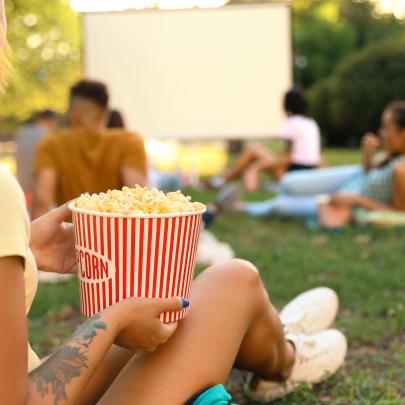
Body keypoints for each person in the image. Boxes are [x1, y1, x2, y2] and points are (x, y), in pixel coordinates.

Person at [0, 6, 347, 404]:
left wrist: (23, 251)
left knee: (202, 302)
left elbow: (43, 195)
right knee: (234, 281)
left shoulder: (48, 150)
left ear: (74, 111)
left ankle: (282, 339)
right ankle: (286, 358)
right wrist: (110, 321)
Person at [240, 101, 405, 228]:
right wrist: (368, 154)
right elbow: (369, 171)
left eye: (386, 128)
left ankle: (243, 207)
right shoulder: (393, 154)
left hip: (348, 200)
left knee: (281, 206)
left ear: (403, 134)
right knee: (289, 182)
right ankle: (248, 204)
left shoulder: (401, 170)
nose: (382, 133)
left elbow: (398, 213)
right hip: (353, 178)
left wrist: (355, 200)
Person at [32, 80, 147, 219]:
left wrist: (34, 238)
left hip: (71, 236)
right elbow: (138, 198)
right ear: (105, 112)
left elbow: (42, 201)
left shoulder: (51, 144)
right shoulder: (131, 142)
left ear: (73, 112)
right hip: (116, 236)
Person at [208, 89, 322, 192]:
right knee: (254, 151)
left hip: (292, 176)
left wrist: (256, 168)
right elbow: (317, 157)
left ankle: (221, 181)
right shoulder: (311, 122)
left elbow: (287, 159)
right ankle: (224, 179)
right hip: (308, 173)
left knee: (252, 150)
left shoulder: (292, 123)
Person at [15, 110, 60, 210]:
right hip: (40, 195)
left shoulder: (22, 132)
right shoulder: (49, 137)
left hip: (22, 192)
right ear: (52, 121)